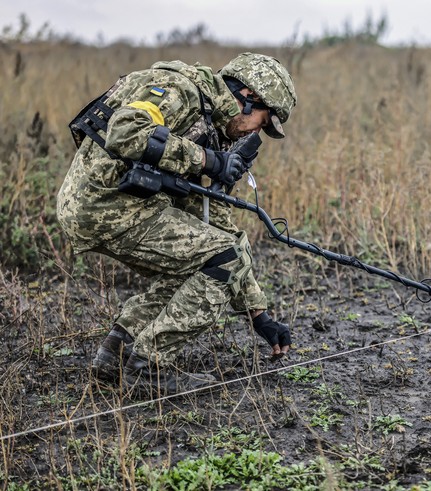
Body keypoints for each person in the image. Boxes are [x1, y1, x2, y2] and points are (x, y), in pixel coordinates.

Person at [56, 52, 297, 395]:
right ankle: (148, 369)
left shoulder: (208, 120)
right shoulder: (179, 89)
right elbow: (125, 131)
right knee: (221, 259)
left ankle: (115, 353)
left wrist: (259, 316)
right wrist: (209, 160)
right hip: (107, 206)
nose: (257, 130)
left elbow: (220, 231)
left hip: (118, 207)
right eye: (263, 120)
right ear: (248, 98)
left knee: (209, 258)